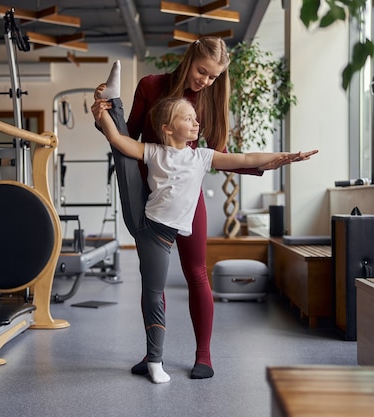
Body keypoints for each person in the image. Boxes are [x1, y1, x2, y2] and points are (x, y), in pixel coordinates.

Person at [92, 38, 298, 380]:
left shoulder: (211, 99)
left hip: (185, 197)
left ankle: (204, 355)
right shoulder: (151, 85)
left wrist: (273, 161)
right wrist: (105, 116)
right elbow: (130, 136)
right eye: (202, 71)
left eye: (214, 76)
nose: (205, 80)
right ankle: (153, 355)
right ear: (190, 59)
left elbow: (226, 156)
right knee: (152, 280)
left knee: (196, 272)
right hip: (147, 185)